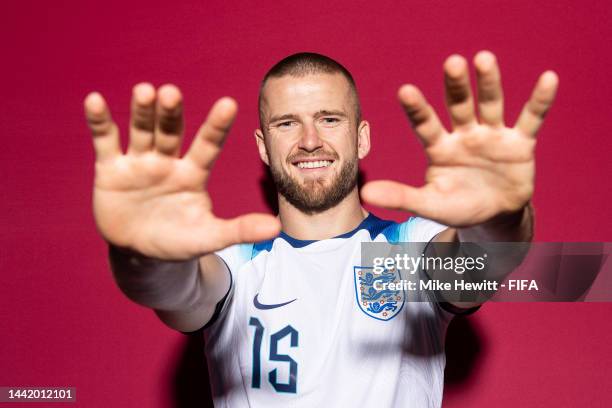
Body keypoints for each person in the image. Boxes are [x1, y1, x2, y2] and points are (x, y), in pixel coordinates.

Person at [83, 52, 558, 407]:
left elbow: (483, 260)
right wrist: (141, 252)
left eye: (329, 119)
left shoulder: (404, 250)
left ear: (362, 137)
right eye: (287, 123)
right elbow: (173, 288)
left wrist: (500, 214)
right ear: (264, 147)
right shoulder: (240, 265)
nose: (310, 140)